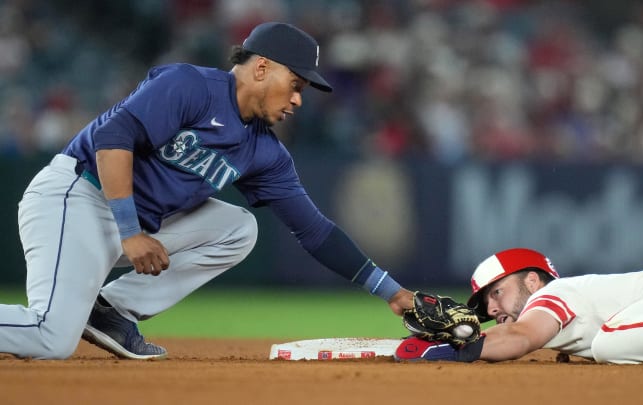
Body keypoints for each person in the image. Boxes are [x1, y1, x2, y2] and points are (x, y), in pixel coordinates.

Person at [0, 22, 414, 360]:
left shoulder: (264, 151)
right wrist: (129, 231)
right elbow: (112, 140)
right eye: (296, 84)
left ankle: (110, 311)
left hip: (136, 226)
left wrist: (392, 292)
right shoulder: (190, 85)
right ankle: (80, 313)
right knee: (50, 337)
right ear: (262, 67)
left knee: (239, 229)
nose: (297, 100)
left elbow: (315, 231)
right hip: (78, 199)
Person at [395, 247, 643, 364]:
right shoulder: (576, 301)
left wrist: (451, 350)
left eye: (496, 292)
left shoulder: (555, 293)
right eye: (486, 305)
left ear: (532, 281)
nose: (492, 310)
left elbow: (521, 337)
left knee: (609, 343)